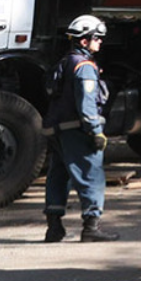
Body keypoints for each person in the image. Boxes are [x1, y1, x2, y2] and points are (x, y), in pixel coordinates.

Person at [41, 14, 118, 243]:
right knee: (91, 175)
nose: (100, 42)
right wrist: (95, 131)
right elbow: (86, 103)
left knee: (58, 175)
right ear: (84, 40)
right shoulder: (84, 66)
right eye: (97, 38)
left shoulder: (65, 62)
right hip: (76, 130)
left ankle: (54, 228)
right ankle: (91, 227)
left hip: (56, 129)